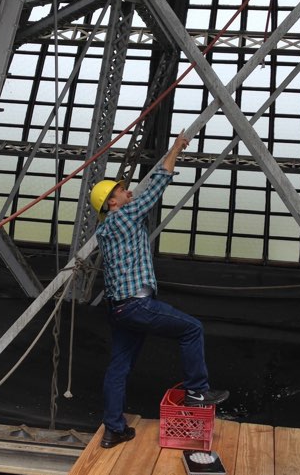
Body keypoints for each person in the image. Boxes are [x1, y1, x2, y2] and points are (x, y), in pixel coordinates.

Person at [90, 131, 229, 449]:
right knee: (192, 329)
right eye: (123, 191)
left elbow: (142, 194)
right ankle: (197, 391)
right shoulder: (124, 217)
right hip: (137, 306)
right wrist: (176, 148)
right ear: (112, 202)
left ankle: (114, 429)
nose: (128, 193)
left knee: (119, 367)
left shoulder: (105, 229)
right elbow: (156, 187)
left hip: (119, 310)